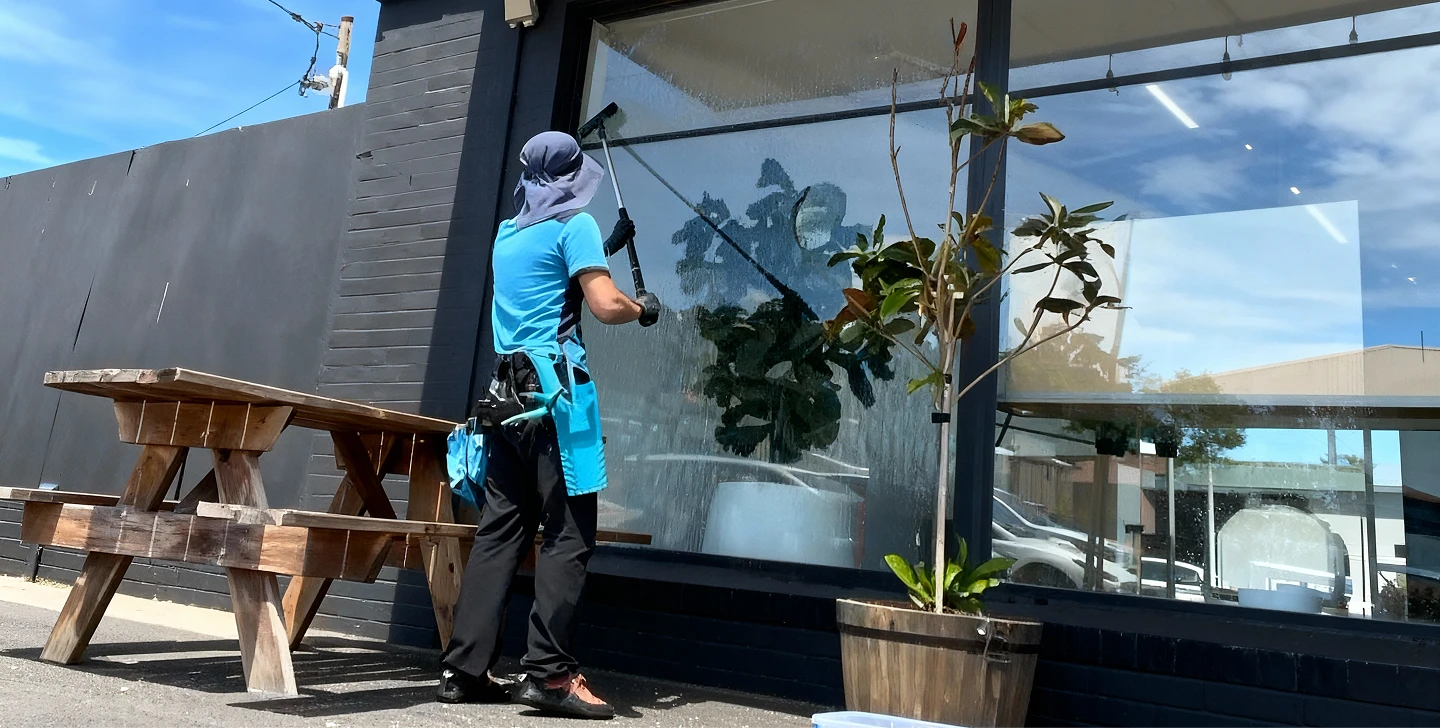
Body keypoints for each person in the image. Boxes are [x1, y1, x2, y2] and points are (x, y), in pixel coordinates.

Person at [436, 130, 658, 719]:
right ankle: (551, 675)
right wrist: (642, 308)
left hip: (504, 400)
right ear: (573, 177)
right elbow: (604, 305)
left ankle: (463, 669)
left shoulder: (508, 234)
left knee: (500, 530)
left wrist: (604, 247)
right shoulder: (574, 225)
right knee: (569, 532)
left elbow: (547, 278)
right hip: (555, 396)